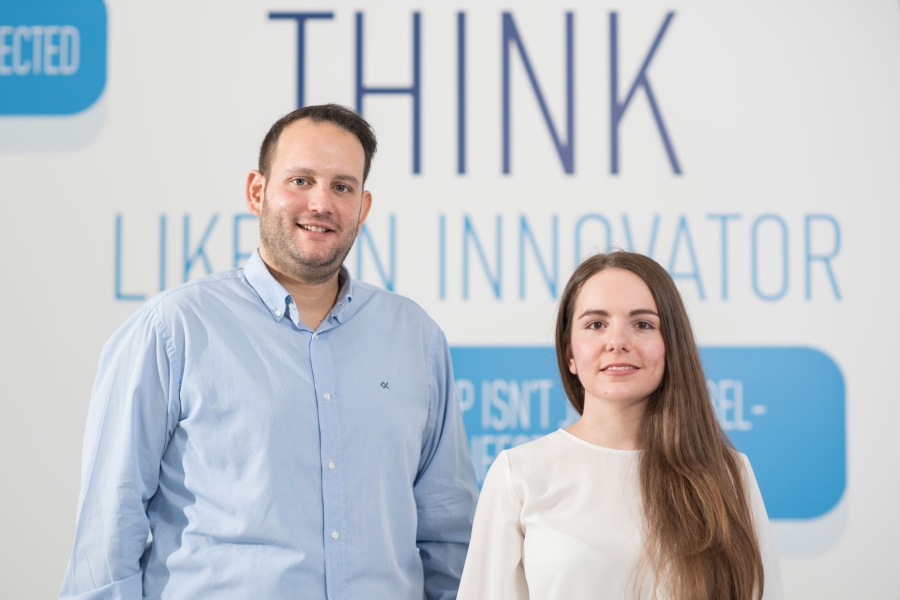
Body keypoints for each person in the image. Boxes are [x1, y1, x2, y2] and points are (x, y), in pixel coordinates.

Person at [60, 104, 478, 600]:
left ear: (362, 208)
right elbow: (108, 534)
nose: (321, 203)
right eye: (301, 180)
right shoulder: (173, 330)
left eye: (342, 187)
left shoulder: (416, 337)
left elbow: (448, 531)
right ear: (257, 191)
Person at [457, 251, 783, 600]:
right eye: (596, 324)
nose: (617, 342)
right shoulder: (518, 475)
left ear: (671, 345)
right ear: (569, 353)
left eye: (642, 324)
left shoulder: (730, 475)